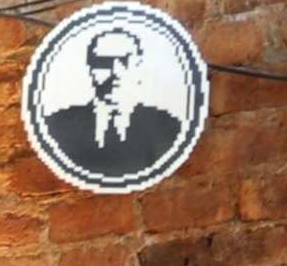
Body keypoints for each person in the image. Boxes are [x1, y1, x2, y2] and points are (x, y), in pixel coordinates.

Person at [41, 22, 185, 187]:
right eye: (104, 62)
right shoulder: (57, 127)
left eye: (125, 61)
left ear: (138, 67)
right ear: (91, 68)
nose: (116, 72)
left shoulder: (169, 127)